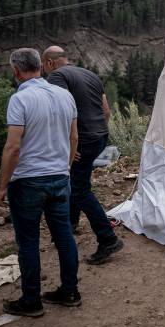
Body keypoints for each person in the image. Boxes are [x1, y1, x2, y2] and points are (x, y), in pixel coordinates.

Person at [0, 48, 81, 316]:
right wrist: (63, 168)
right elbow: (74, 138)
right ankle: (70, 291)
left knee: (29, 241)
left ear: (16, 71)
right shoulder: (65, 96)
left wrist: (2, 186)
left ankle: (31, 300)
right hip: (59, 177)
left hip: (29, 181)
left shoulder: (20, 100)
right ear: (41, 68)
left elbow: (13, 148)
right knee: (64, 236)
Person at [42, 45, 124, 265]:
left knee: (79, 190)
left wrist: (71, 144)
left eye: (44, 66)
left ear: (49, 62)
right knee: (77, 180)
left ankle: (108, 239)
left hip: (82, 140)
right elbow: (106, 111)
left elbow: (59, 112)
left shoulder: (56, 77)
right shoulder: (90, 74)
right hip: (100, 136)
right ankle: (71, 224)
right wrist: (96, 132)